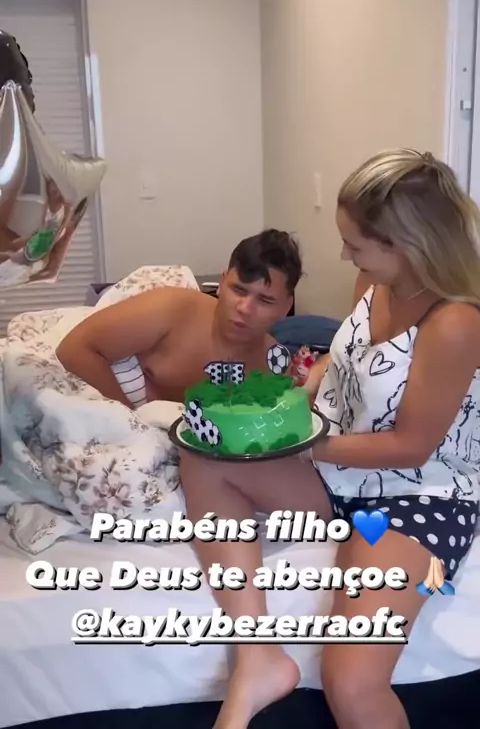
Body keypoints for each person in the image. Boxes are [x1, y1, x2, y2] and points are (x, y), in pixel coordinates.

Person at [179, 149, 480, 729]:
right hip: (339, 471)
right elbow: (348, 357)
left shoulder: (455, 324)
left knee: (351, 680)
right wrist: (307, 387)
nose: (346, 256)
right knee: (206, 453)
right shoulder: (376, 281)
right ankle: (258, 657)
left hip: (415, 496)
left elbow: (411, 448)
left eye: (356, 245)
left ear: (405, 244)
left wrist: (296, 443)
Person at [56, 228, 303, 406]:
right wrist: (132, 420)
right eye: (238, 290)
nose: (245, 308)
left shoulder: (275, 367)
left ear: (286, 308)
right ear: (221, 283)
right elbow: (74, 348)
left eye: (265, 300)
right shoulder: (170, 310)